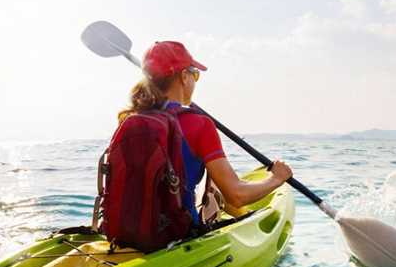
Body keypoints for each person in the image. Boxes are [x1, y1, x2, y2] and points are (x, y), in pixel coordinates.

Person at [118, 40, 292, 225]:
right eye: (195, 74)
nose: (195, 81)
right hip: (175, 236)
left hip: (125, 233)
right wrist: (277, 178)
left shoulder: (130, 120)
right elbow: (236, 196)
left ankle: (242, 216)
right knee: (221, 186)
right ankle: (244, 219)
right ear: (184, 76)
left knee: (214, 182)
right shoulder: (199, 124)